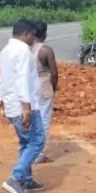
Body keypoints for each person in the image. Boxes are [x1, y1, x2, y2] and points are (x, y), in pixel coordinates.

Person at [0, 19, 46, 193]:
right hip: (24, 106)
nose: (34, 38)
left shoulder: (5, 51)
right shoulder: (23, 51)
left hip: (11, 105)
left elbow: (2, 79)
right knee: (37, 141)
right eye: (33, 35)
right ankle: (16, 178)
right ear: (25, 34)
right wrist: (27, 107)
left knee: (25, 142)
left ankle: (26, 179)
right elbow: (22, 79)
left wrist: (1, 102)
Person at [32, 21, 58, 164]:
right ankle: (38, 154)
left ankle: (31, 150)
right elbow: (54, 74)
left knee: (33, 121)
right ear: (45, 34)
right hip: (44, 87)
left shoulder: (28, 49)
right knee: (44, 120)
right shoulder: (46, 50)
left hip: (30, 89)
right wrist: (53, 89)